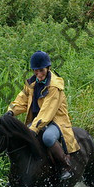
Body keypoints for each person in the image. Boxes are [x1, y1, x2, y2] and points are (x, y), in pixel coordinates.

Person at [5, 51, 79, 180]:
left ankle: (66, 165)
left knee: (48, 138)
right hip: (37, 121)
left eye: (41, 71)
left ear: (48, 68)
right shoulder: (31, 83)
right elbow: (21, 100)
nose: (39, 74)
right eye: (36, 71)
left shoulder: (54, 86)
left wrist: (33, 129)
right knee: (20, 137)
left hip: (55, 121)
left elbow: (47, 111)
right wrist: (10, 111)